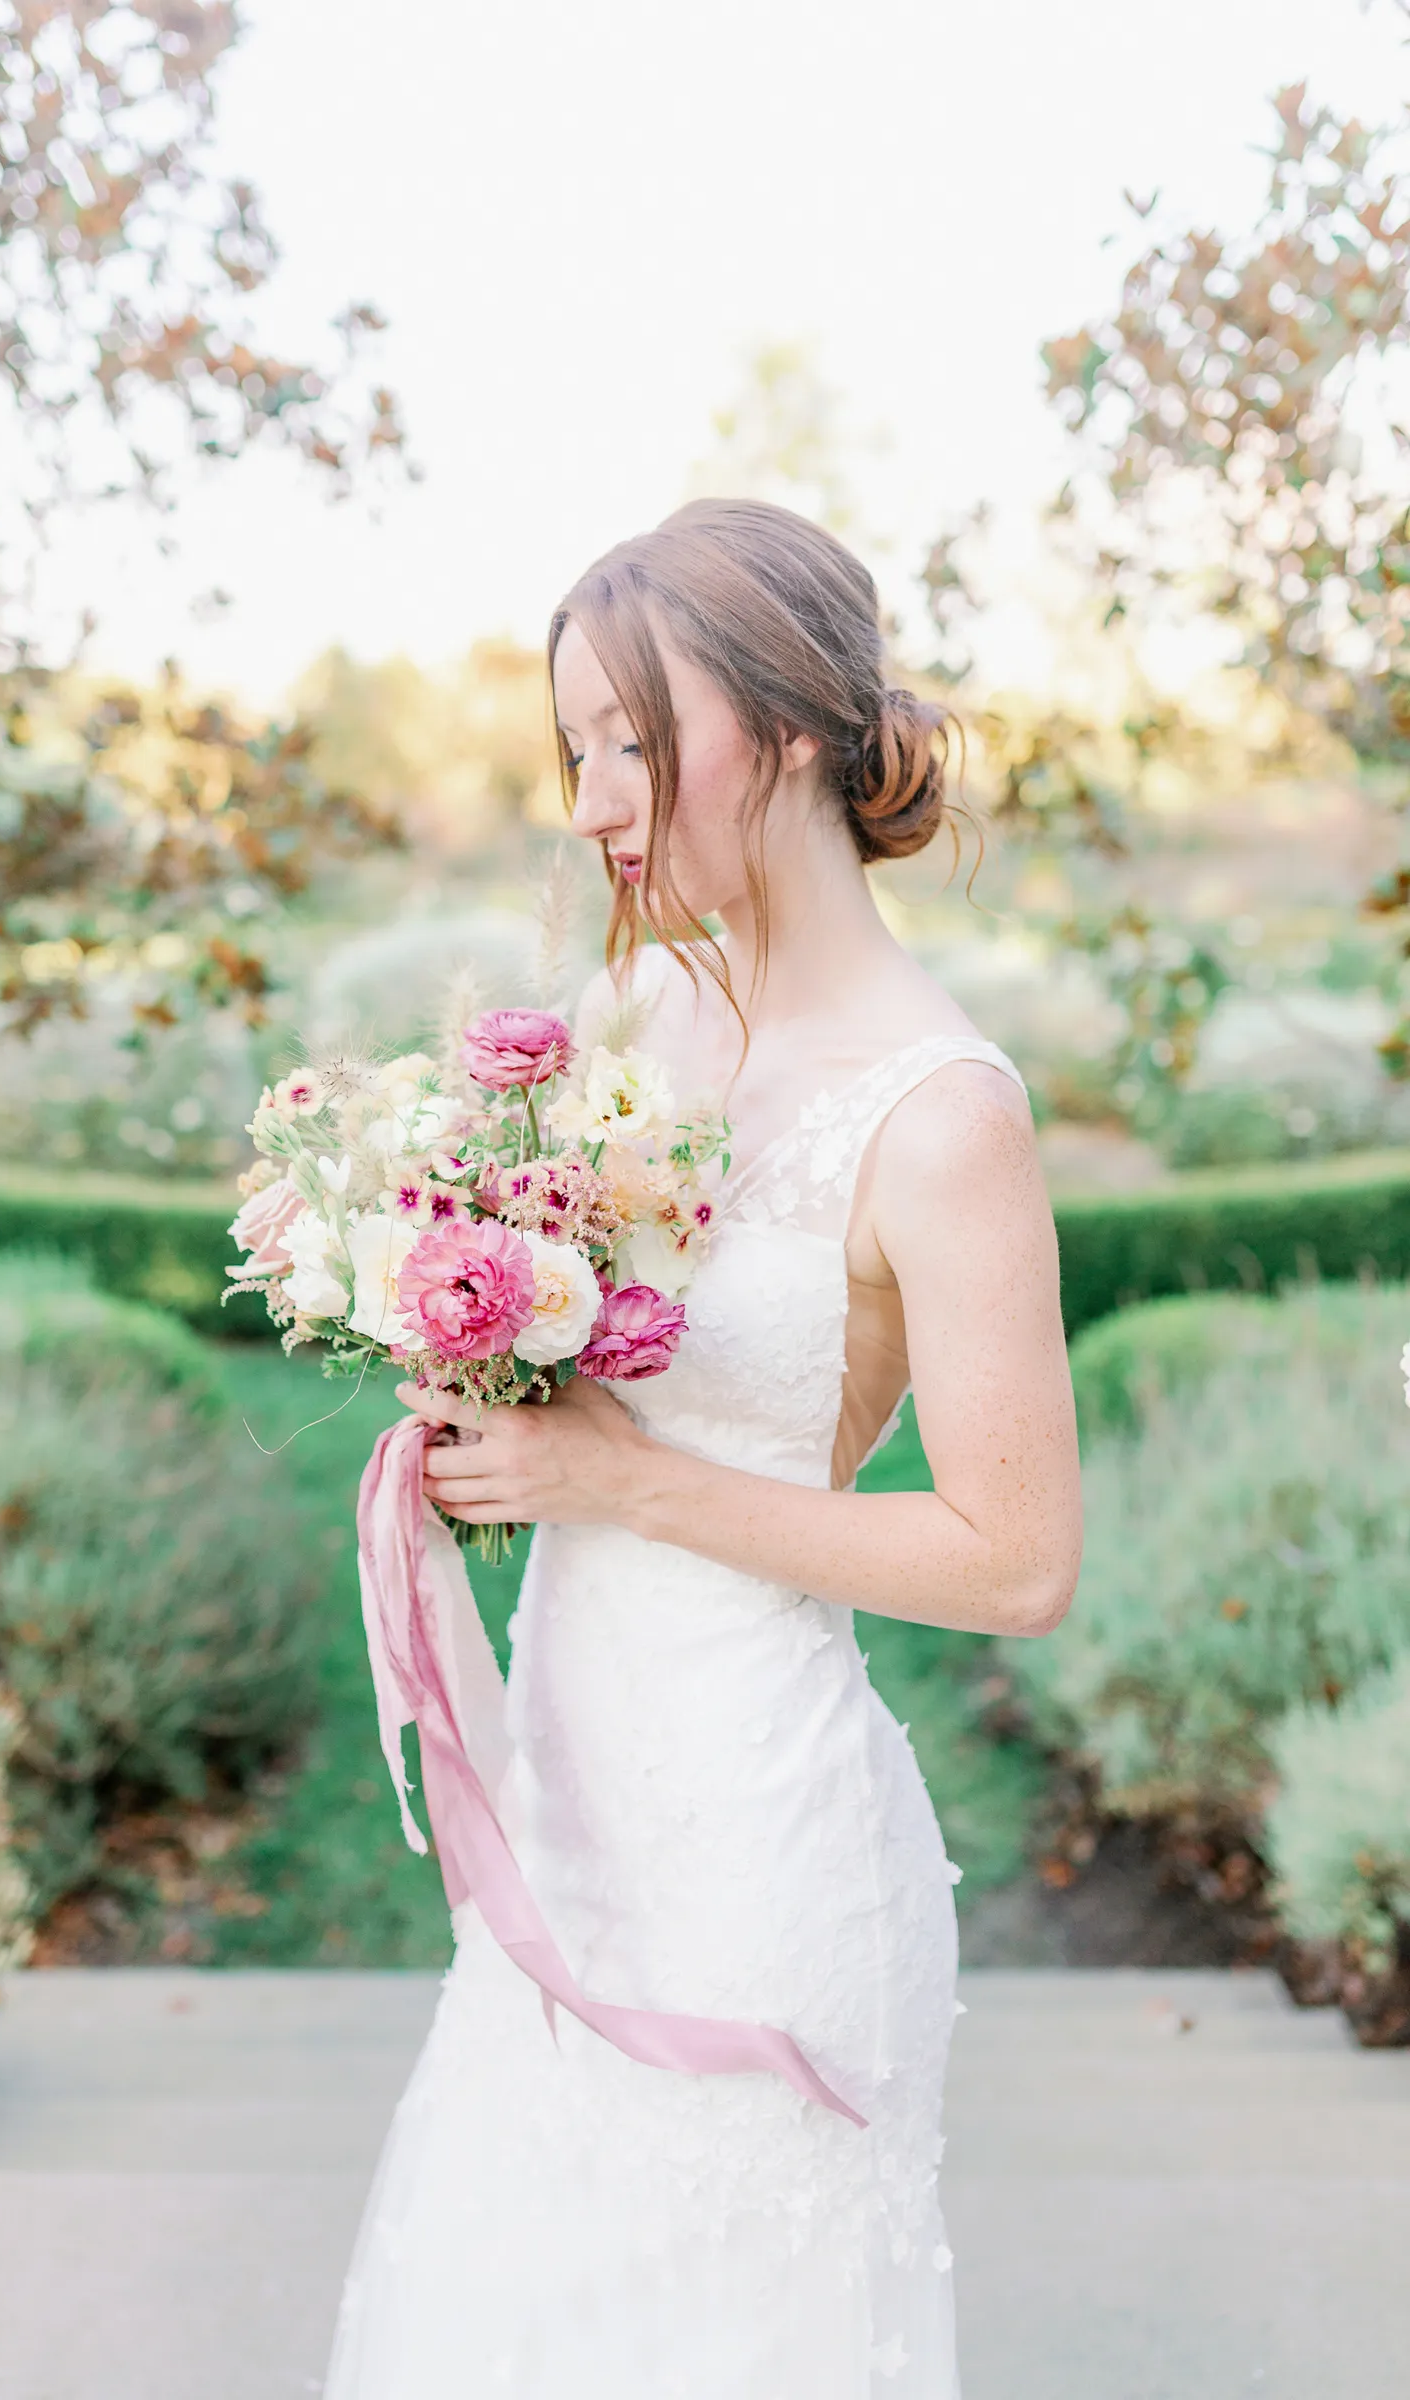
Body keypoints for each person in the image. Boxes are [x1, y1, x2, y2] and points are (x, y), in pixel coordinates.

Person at [325, 498, 1082, 2399]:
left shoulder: (942, 1111)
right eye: (573, 746)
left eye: (633, 743)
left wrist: (624, 1482)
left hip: (763, 1855)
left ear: (795, 733)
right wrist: (462, 1367)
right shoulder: (633, 1011)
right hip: (574, 1824)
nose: (589, 801)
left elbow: (1017, 1559)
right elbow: (577, 1375)